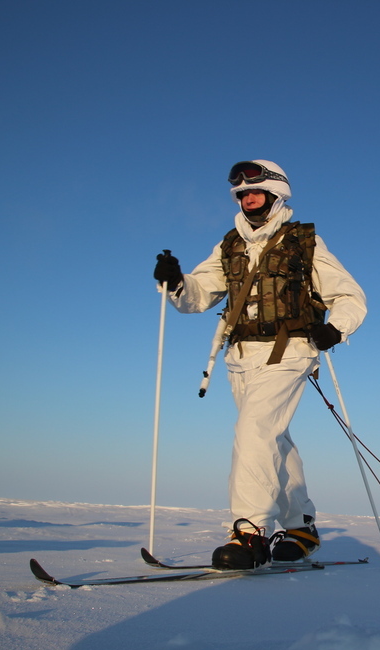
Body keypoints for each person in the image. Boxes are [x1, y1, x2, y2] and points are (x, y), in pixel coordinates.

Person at [153, 160, 367, 569]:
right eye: (242, 193)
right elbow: (197, 295)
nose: (248, 198)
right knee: (272, 440)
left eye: (257, 191)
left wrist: (335, 330)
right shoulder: (229, 244)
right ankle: (301, 527)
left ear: (277, 194)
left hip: (290, 352)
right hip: (240, 357)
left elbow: (351, 297)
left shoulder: (303, 242)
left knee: (254, 431)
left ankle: (250, 532)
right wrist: (176, 281)